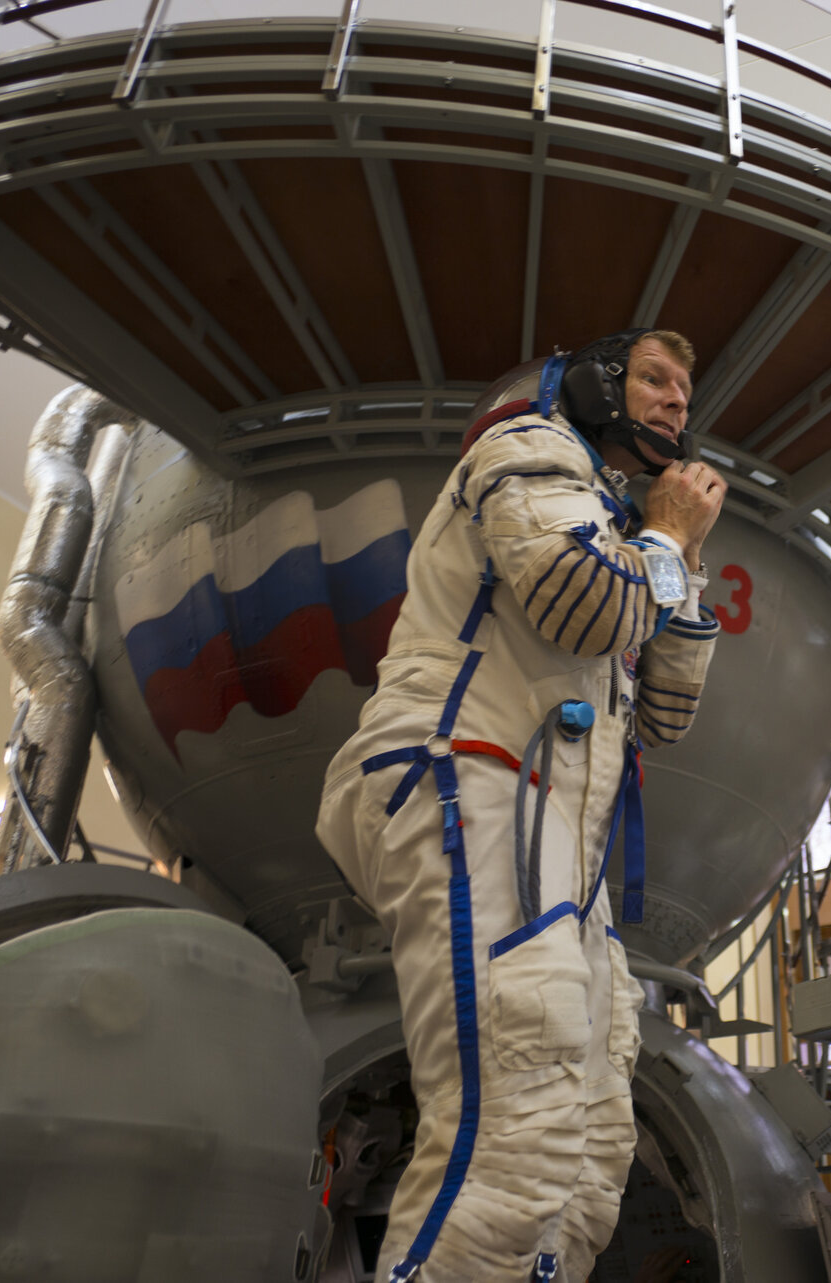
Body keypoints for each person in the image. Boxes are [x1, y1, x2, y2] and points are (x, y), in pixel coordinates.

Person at [316, 328, 726, 1283]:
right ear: (589, 383)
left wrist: (678, 559)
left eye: (685, 390)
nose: (676, 403)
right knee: (514, 1128)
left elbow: (662, 715)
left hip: (552, 835)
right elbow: (586, 608)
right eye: (655, 380)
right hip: (470, 774)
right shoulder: (528, 451)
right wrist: (663, 540)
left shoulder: (621, 529)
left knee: (583, 1159)